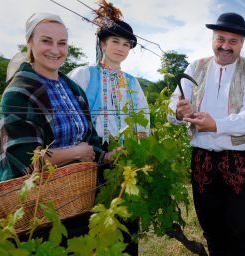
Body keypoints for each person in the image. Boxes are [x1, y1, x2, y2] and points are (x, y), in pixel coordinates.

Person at [0, 13, 115, 239]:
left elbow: (90, 138)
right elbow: (27, 159)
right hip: (32, 210)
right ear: (30, 43)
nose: (55, 49)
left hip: (74, 199)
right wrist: (77, 152)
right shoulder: (19, 92)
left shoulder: (72, 89)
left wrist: (106, 156)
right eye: (46, 41)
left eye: (62, 43)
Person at [168, 12, 245, 256]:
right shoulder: (195, 67)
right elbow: (173, 109)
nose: (225, 46)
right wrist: (180, 112)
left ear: (242, 43)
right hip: (202, 158)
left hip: (239, 160)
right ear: (213, 38)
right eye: (220, 39)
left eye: (233, 41)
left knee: (241, 230)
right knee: (211, 226)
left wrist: (215, 125)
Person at [68, 2, 149, 255]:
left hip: (124, 157)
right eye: (116, 41)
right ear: (103, 44)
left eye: (127, 45)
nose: (121, 49)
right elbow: (69, 118)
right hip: (89, 157)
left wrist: (136, 148)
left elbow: (143, 120)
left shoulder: (133, 83)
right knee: (89, 221)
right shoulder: (83, 75)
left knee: (125, 221)